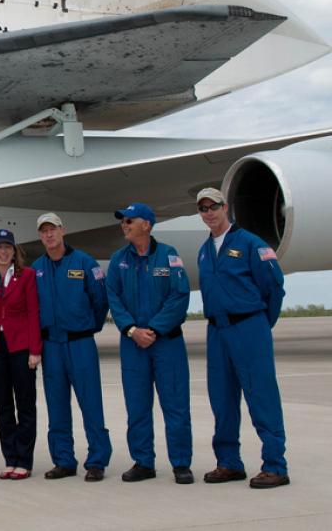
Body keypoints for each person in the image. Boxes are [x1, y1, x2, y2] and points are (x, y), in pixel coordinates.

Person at [196, 187, 289, 488]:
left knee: (261, 396)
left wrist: (260, 324)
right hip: (217, 330)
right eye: (203, 208)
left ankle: (275, 465)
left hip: (248, 327)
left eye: (214, 206)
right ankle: (228, 462)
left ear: (226, 208)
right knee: (221, 398)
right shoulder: (204, 249)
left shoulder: (250, 243)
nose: (209, 212)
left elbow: (273, 287)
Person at [105, 203, 193, 484]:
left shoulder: (169, 256)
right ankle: (143, 462)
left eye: (130, 220)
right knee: (137, 406)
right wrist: (132, 330)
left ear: (147, 224)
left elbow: (179, 296)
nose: (125, 225)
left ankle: (180, 463)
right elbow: (113, 298)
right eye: (123, 221)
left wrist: (153, 329)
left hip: (167, 343)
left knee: (175, 404)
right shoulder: (118, 260)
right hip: (133, 345)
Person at [33, 212, 112, 482]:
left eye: (52, 229)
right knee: (57, 407)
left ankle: (97, 460)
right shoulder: (37, 269)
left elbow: (100, 301)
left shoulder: (84, 263)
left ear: (62, 231)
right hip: (51, 345)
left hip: (80, 343)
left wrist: (88, 326)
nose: (49, 235)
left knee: (90, 403)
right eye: (43, 231)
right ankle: (64, 460)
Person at [0, 229, 41, 480]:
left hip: (20, 346)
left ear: (14, 251)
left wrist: (35, 350)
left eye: (7, 247)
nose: (3, 251)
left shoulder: (27, 276)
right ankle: (10, 458)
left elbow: (34, 313)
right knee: (3, 406)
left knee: (25, 404)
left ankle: (24, 459)